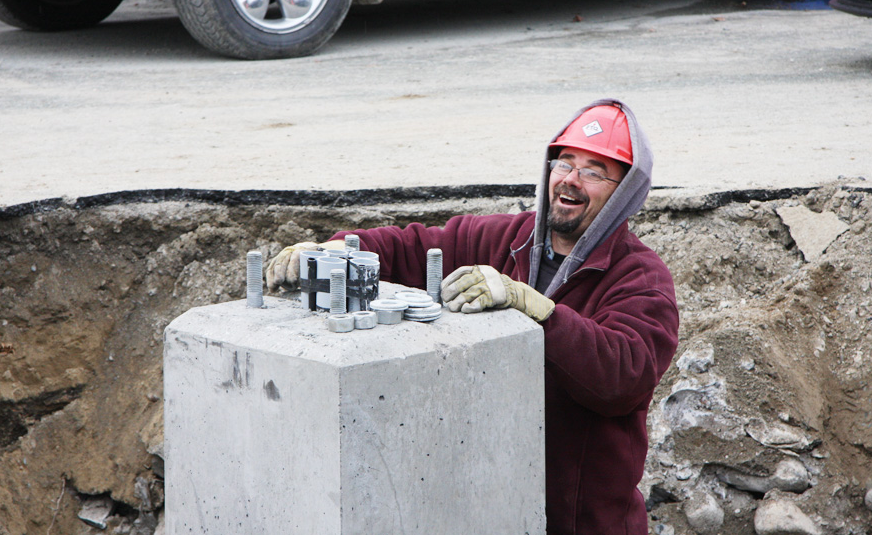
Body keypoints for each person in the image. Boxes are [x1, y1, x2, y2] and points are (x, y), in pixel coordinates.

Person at [265, 99, 679, 535]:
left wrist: (539, 311)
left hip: (581, 521)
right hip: (492, 502)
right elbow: (413, 247)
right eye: (564, 163)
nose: (570, 180)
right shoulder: (508, 238)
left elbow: (623, 376)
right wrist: (340, 247)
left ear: (624, 192)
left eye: (594, 172)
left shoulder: (641, 278)